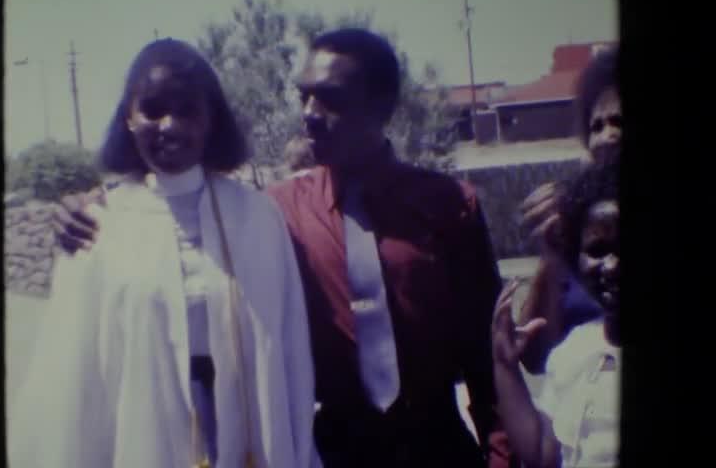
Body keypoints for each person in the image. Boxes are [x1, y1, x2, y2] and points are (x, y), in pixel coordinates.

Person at [54, 29, 513, 467]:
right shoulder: (270, 215)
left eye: (330, 98)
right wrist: (89, 207)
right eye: (304, 96)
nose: (309, 113)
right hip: (335, 451)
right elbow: (173, 216)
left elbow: (487, 356)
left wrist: (503, 458)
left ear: (382, 105)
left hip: (438, 447)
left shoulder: (450, 206)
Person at [9, 38, 320, 468]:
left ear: (211, 119)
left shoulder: (257, 216)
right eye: (152, 109)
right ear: (128, 118)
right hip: (144, 431)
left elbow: (288, 349)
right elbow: (72, 376)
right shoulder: (99, 223)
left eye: (187, 110)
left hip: (243, 429)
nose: (169, 125)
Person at [492, 152, 621, 467]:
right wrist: (505, 365)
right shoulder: (574, 351)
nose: (613, 266)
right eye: (597, 250)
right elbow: (541, 453)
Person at [517, 46, 621, 373]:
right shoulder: (579, 229)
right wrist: (551, 256)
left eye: (619, 121)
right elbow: (534, 357)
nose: (606, 137)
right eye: (597, 126)